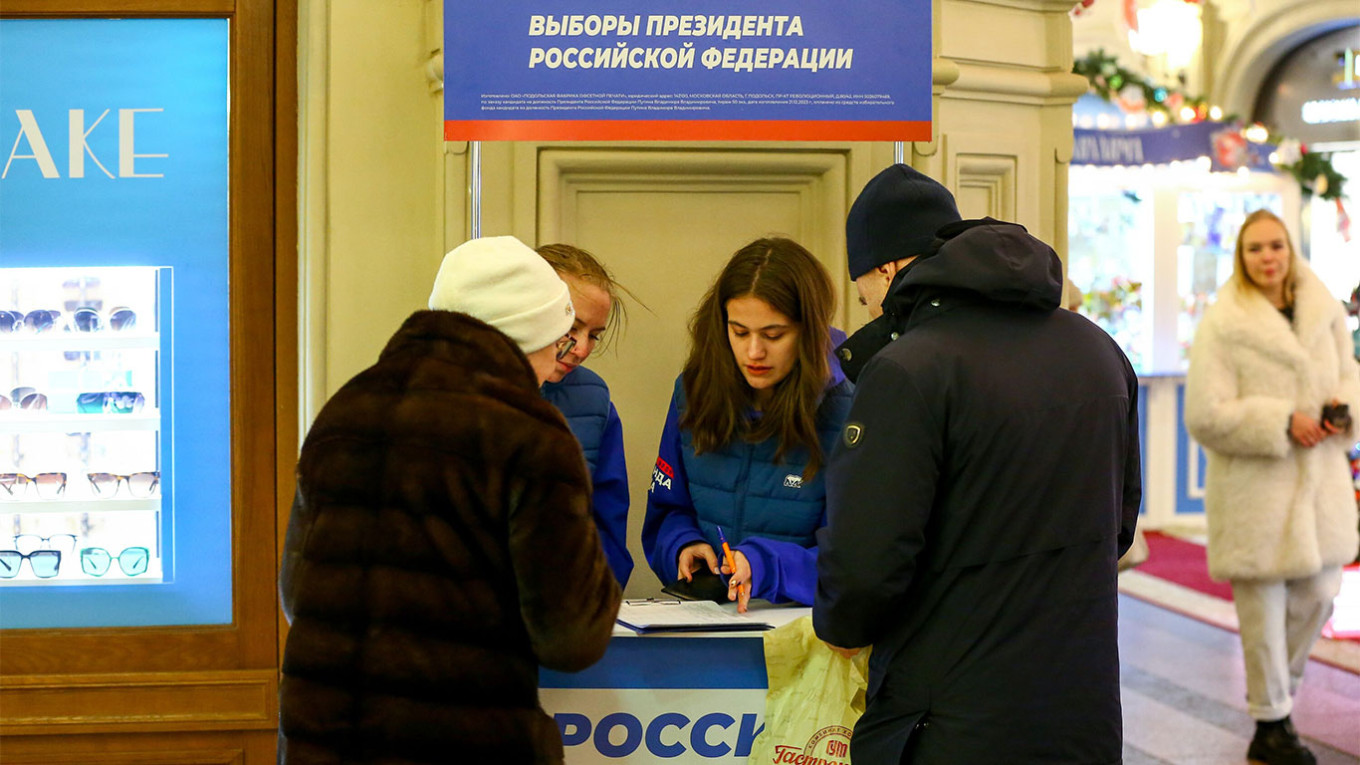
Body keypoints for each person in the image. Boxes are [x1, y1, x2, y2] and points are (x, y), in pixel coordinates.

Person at [814, 164, 1141, 764]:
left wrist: (839, 626)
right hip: (1081, 712)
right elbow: (1117, 527)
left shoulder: (908, 371)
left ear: (885, 267)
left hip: (950, 722)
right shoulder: (1099, 351)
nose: (864, 302)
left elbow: (866, 563)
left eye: (861, 282)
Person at [278, 235, 622, 764]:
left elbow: (295, 597)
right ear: (532, 332)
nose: (560, 354)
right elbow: (571, 637)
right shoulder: (531, 437)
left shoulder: (343, 413)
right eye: (557, 338)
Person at [1184, 209, 1359, 765]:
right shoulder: (1223, 320)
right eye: (1255, 248)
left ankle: (1274, 706)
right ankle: (1272, 724)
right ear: (1241, 255)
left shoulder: (1325, 308)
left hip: (1321, 488)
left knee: (1319, 597)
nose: (1267, 257)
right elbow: (1204, 415)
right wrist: (1281, 419)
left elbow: (1350, 373)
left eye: (1275, 246)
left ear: (1290, 249)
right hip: (1254, 492)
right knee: (1261, 616)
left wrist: (1343, 408)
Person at [641, 237, 853, 613]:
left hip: (804, 632)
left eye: (773, 335)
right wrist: (682, 545)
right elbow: (667, 509)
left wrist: (767, 565)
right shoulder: (693, 390)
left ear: (809, 331)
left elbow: (853, 558)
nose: (754, 352)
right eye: (739, 332)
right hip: (706, 627)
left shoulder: (849, 409)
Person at [537, 243, 634, 588]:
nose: (580, 349)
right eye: (570, 327)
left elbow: (608, 523)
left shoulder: (595, 400)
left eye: (594, 335)